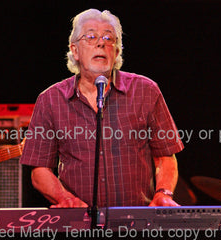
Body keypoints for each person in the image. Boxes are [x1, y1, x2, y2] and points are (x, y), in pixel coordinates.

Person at [20, 9, 184, 208]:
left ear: (116, 52)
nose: (101, 43)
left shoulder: (146, 91)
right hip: (79, 224)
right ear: (75, 50)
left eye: (109, 38)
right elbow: (39, 170)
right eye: (91, 36)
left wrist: (163, 194)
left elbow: (165, 156)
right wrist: (65, 199)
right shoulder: (50, 100)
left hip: (137, 226)